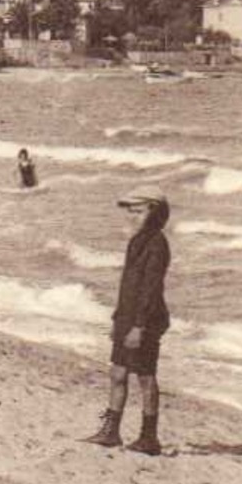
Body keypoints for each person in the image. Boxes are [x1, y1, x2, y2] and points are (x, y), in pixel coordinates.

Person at [82, 185, 173, 456]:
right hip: (127, 317)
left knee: (145, 377)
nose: (133, 216)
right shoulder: (136, 240)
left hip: (144, 320)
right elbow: (128, 286)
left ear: (155, 212)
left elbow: (151, 288)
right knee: (118, 373)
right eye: (131, 211)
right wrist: (117, 319)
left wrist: (139, 326)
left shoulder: (157, 243)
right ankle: (111, 432)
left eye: (139, 210)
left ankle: (149, 437)